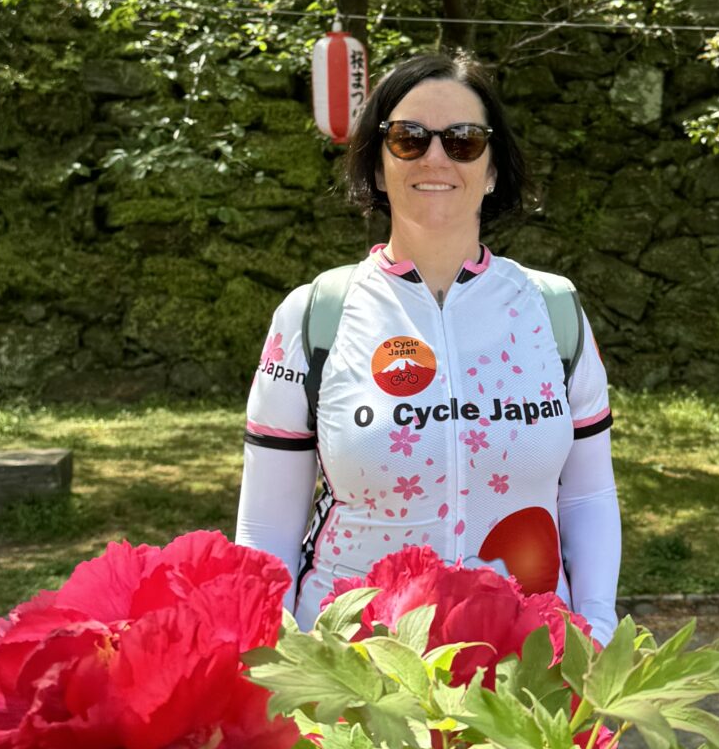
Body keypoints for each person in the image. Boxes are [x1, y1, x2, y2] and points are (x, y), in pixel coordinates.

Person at [235, 50, 621, 684]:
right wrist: (277, 691)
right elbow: (265, 528)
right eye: (408, 138)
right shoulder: (315, 315)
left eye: (464, 141)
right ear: (379, 166)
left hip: (528, 668)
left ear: (494, 170)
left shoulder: (554, 310)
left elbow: (587, 494)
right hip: (354, 675)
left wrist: (598, 630)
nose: (436, 158)